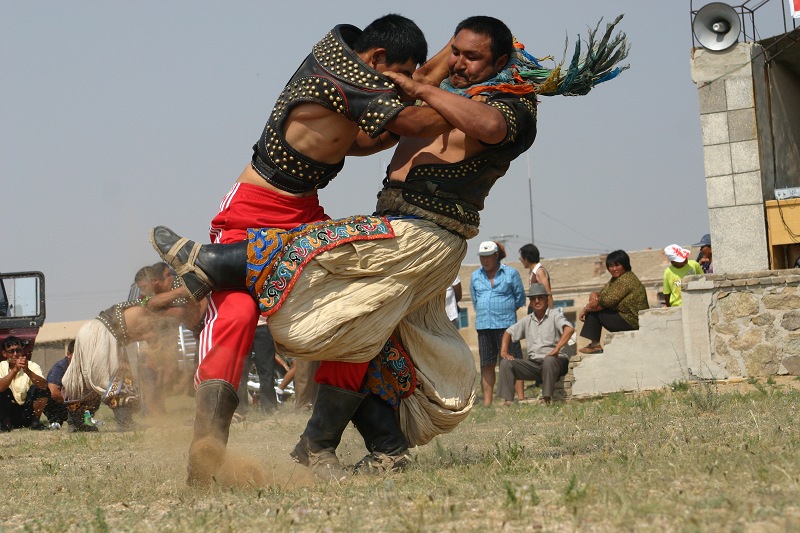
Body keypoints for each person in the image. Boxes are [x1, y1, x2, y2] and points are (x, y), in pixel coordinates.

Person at [151, 14, 628, 481]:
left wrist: (424, 83)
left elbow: (452, 114)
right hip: (263, 210)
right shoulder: (348, 70)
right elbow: (402, 113)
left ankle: (210, 265)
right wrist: (439, 70)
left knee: (340, 295)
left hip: (411, 231)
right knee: (350, 331)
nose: (458, 64)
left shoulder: (508, 104)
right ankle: (235, 445)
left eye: (471, 57)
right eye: (455, 53)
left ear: (501, 61)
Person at [62, 286, 205, 430]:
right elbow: (153, 324)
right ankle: (125, 423)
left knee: (82, 379)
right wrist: (181, 292)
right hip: (102, 334)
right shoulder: (146, 310)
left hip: (89, 331)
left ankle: (75, 423)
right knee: (117, 377)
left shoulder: (144, 313)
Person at [497, 283, 575, 405]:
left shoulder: (554, 315)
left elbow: (569, 329)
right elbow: (508, 332)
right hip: (535, 364)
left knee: (549, 360)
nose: (537, 301)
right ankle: (508, 401)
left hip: (556, 361)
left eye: (540, 298)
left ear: (546, 299)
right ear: (530, 302)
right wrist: (504, 352)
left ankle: (546, 398)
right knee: (506, 363)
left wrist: (557, 349)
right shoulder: (527, 320)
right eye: (533, 299)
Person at [471, 240, 526, 407]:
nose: (485, 261)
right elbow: (475, 300)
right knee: (487, 363)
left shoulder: (511, 274)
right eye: (482, 257)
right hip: (484, 326)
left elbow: (520, 298)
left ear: (496, 256)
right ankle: (488, 402)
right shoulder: (475, 276)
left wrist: (505, 309)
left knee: (512, 361)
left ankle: (521, 398)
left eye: (488, 257)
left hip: (507, 325)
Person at [578, 250, 649, 354]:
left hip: (632, 321)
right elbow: (603, 294)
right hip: (624, 318)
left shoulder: (626, 280)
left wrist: (586, 309)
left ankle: (594, 345)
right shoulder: (616, 279)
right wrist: (593, 294)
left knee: (595, 311)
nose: (614, 269)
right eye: (611, 266)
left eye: (617, 265)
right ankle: (594, 345)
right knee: (594, 308)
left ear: (624, 264)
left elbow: (606, 302)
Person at [0, 336, 49, 431]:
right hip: (9, 411)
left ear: (22, 351)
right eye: (11, 351)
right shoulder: (1, 366)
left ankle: (35, 422)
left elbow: (43, 386)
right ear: (4, 354)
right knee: (4, 391)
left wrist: (27, 370)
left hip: (27, 411)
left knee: (38, 388)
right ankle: (6, 425)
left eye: (18, 350)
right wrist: (14, 370)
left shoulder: (32, 366)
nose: (15, 354)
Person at [236, 317, 278, 417]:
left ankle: (269, 406)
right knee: (240, 372)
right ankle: (240, 408)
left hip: (263, 325)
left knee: (267, 369)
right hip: (242, 326)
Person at [519, 243, 553, 310]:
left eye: (521, 258)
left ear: (526, 259)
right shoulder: (532, 272)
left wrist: (551, 315)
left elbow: (548, 295)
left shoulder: (540, 272)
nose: (521, 261)